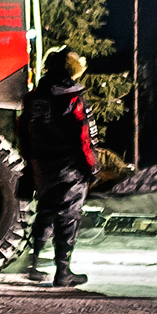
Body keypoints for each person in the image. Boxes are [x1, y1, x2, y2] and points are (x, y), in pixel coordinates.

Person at [17, 48, 97, 287]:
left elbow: (23, 130)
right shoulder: (73, 98)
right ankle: (63, 271)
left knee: (46, 210)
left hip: (42, 165)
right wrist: (92, 166)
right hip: (69, 167)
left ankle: (33, 264)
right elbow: (84, 136)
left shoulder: (33, 98)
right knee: (68, 216)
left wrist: (30, 161)